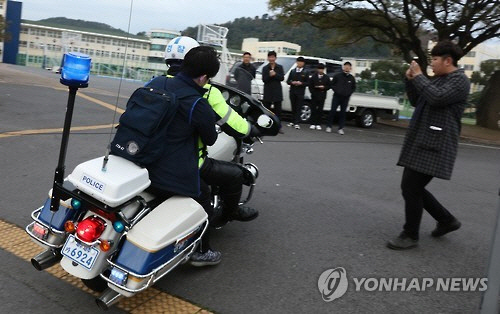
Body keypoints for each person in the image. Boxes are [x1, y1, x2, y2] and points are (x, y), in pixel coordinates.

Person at [154, 37, 261, 266]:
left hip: (147, 155)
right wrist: (251, 127)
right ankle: (204, 246)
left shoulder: (155, 83)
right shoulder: (204, 94)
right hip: (181, 164)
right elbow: (229, 128)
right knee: (231, 176)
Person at [387, 40, 470, 250]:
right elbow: (419, 100)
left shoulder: (459, 80)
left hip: (436, 143)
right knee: (413, 187)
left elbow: (437, 98)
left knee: (411, 187)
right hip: (424, 140)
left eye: (434, 59)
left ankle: (410, 235)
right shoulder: (440, 79)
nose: (431, 63)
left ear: (447, 60)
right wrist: (410, 80)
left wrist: (420, 76)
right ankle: (446, 220)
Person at [144, 46, 220, 262]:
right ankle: (202, 252)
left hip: (135, 158)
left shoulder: (155, 83)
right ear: (204, 77)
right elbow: (210, 140)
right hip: (164, 173)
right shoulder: (198, 103)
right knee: (203, 195)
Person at [326, 61, 356, 135]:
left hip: (345, 98)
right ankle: (329, 126)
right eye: (345, 66)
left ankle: (340, 128)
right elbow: (332, 84)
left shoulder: (351, 78)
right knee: (332, 111)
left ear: (350, 68)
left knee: (343, 113)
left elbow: (353, 87)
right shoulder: (337, 76)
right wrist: (337, 91)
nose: (347, 68)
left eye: (348, 67)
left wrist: (348, 94)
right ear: (343, 67)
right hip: (336, 96)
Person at [286, 56, 309, 129]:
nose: (299, 63)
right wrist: (292, 82)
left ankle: (297, 122)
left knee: (299, 107)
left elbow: (307, 82)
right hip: (292, 91)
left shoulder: (306, 72)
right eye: (298, 62)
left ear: (303, 63)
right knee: (293, 106)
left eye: (301, 62)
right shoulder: (293, 71)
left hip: (300, 92)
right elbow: (288, 81)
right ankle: (292, 121)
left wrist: (301, 83)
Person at [262, 51, 285, 123]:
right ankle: (265, 124)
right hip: (268, 91)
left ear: (275, 58)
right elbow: (264, 80)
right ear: (268, 58)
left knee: (278, 110)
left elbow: (282, 78)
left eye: (273, 57)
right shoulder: (265, 68)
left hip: (277, 91)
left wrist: (275, 74)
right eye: (270, 57)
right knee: (266, 110)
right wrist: (269, 75)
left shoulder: (280, 67)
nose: (271, 59)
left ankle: (278, 126)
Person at [308, 63, 330, 130]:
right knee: (313, 109)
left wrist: (324, 87)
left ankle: (318, 123)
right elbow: (310, 86)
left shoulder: (326, 77)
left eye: (322, 69)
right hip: (314, 95)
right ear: (317, 69)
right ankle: (312, 123)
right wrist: (313, 92)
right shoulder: (313, 77)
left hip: (322, 95)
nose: (320, 70)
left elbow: (329, 86)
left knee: (320, 110)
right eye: (319, 69)